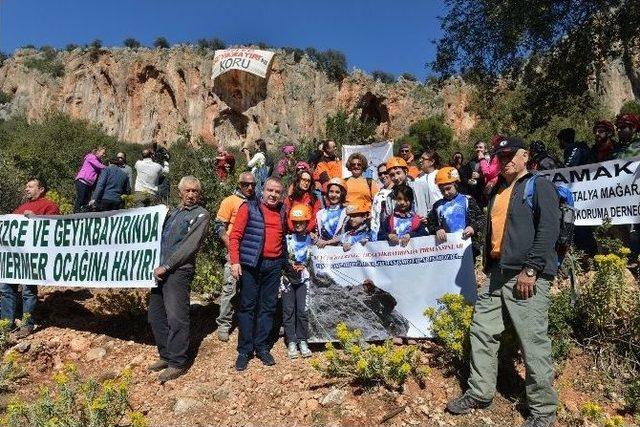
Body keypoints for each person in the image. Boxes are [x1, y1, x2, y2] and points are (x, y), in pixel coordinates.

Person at [447, 137, 560, 427]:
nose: (506, 159)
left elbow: (549, 228)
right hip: (497, 274)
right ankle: (480, 393)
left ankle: (543, 411)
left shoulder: (539, 185)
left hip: (526, 274)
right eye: (501, 155)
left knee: (532, 341)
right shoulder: (498, 189)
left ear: (525, 156)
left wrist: (532, 269)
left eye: (512, 154)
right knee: (482, 331)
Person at [148, 176, 210, 383]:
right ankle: (165, 355)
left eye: (195, 191)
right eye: (188, 191)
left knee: (177, 317)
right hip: (159, 271)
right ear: (180, 192)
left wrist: (167, 266)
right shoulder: (172, 213)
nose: (191, 195)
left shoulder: (201, 215)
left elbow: (188, 247)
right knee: (155, 316)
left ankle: (177, 362)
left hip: (178, 271)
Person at [229, 177, 287, 371]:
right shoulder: (249, 207)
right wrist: (235, 261)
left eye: (277, 192)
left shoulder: (282, 211)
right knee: (247, 307)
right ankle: (245, 350)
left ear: (281, 195)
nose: (273, 194)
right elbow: (235, 236)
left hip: (274, 264)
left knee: (268, 306)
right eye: (270, 190)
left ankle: (261, 346)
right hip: (251, 264)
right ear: (263, 191)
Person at [1, 177, 59, 338]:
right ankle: (6, 323)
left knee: (28, 291)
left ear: (41, 189)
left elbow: (54, 228)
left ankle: (27, 324)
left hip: (31, 258)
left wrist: (36, 218)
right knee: (6, 289)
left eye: (30, 186)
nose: (27, 189)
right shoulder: (20, 208)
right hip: (13, 257)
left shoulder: (49, 205)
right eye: (26, 186)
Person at [214, 172, 256, 342]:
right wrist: (231, 248)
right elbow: (219, 227)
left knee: (251, 289)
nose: (250, 187)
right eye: (246, 184)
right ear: (239, 184)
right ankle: (224, 324)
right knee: (230, 288)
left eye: (253, 184)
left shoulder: (256, 202)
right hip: (234, 252)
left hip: (251, 253)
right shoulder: (230, 201)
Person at [427, 167, 485, 257]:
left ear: (456, 184)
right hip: (447, 249)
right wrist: (437, 229)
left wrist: (473, 227)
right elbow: (430, 223)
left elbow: (482, 219)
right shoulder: (437, 206)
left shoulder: (468, 200)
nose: (446, 193)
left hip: (468, 247)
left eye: (448, 188)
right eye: (442, 190)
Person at [282, 204, 313, 359]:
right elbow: (282, 257)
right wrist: (290, 265)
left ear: (307, 222)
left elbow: (316, 259)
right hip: (287, 280)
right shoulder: (287, 239)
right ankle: (292, 341)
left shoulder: (312, 240)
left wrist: (304, 265)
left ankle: (302, 340)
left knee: (302, 311)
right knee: (288, 311)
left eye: (301, 222)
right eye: (295, 222)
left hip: (304, 281)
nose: (298, 225)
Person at [378, 157, 431, 240]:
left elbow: (432, 209)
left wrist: (427, 218)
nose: (395, 177)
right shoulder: (389, 197)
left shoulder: (421, 186)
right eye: (392, 175)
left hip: (422, 236)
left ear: (406, 172)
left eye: (398, 173)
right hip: (400, 241)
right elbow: (388, 222)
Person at [315, 177, 348, 248]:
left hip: (342, 253)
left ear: (342, 194)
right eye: (331, 191)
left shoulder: (346, 212)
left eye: (337, 192)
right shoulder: (320, 214)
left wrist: (327, 242)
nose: (333, 195)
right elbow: (317, 234)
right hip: (324, 253)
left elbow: (348, 234)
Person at [74, 146, 106, 212]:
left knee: (86, 201)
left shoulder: (99, 160)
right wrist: (109, 168)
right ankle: (75, 212)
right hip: (82, 181)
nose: (104, 155)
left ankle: (83, 214)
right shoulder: (91, 157)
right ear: (98, 151)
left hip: (89, 184)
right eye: (103, 153)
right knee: (81, 198)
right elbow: (99, 165)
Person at [459, 142, 488, 206]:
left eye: (480, 147)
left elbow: (492, 175)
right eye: (476, 147)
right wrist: (468, 181)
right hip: (474, 194)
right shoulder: (471, 162)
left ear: (485, 149)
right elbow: (463, 176)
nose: (478, 149)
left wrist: (480, 176)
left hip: (486, 193)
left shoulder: (489, 160)